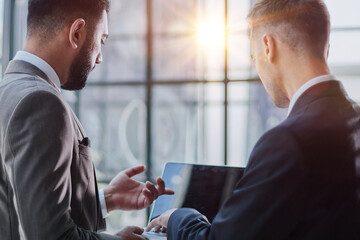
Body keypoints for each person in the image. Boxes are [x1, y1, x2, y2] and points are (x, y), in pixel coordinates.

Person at [146, 0, 360, 239]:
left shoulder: (288, 141)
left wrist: (177, 216)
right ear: (326, 47)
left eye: (253, 55)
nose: (256, 66)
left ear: (268, 46)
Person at [0, 0, 174, 239]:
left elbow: (22, 207)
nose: (100, 57)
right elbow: (51, 236)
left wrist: (106, 199)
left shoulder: (7, 91)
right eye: (101, 40)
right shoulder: (42, 102)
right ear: (77, 32)